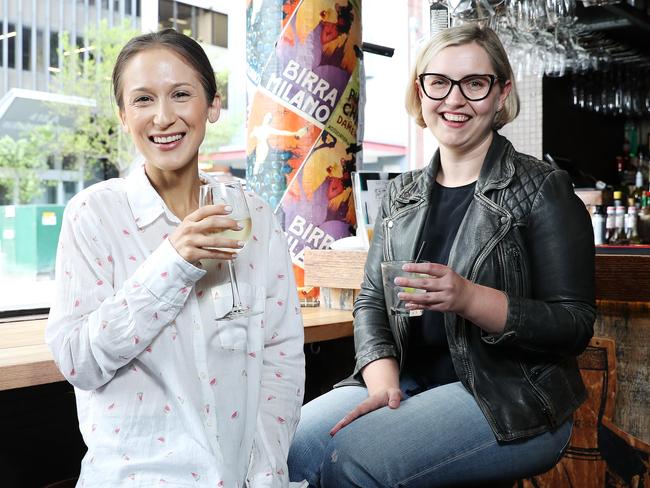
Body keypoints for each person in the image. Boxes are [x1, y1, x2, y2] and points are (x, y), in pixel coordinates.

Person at [288, 23, 595, 488]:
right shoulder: (401, 194)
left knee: (352, 459)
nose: (454, 100)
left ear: (501, 93)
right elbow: (373, 302)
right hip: (410, 381)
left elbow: (573, 325)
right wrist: (383, 384)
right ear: (420, 90)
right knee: (288, 449)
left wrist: (469, 298)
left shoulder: (542, 189)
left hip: (511, 395)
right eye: (439, 82)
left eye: (474, 84)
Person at [46, 29, 305, 487]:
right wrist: (172, 263)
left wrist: (267, 473)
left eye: (181, 95)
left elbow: (279, 356)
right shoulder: (93, 214)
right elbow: (77, 360)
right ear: (124, 116)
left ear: (212, 106)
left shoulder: (256, 218)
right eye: (143, 100)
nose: (163, 118)